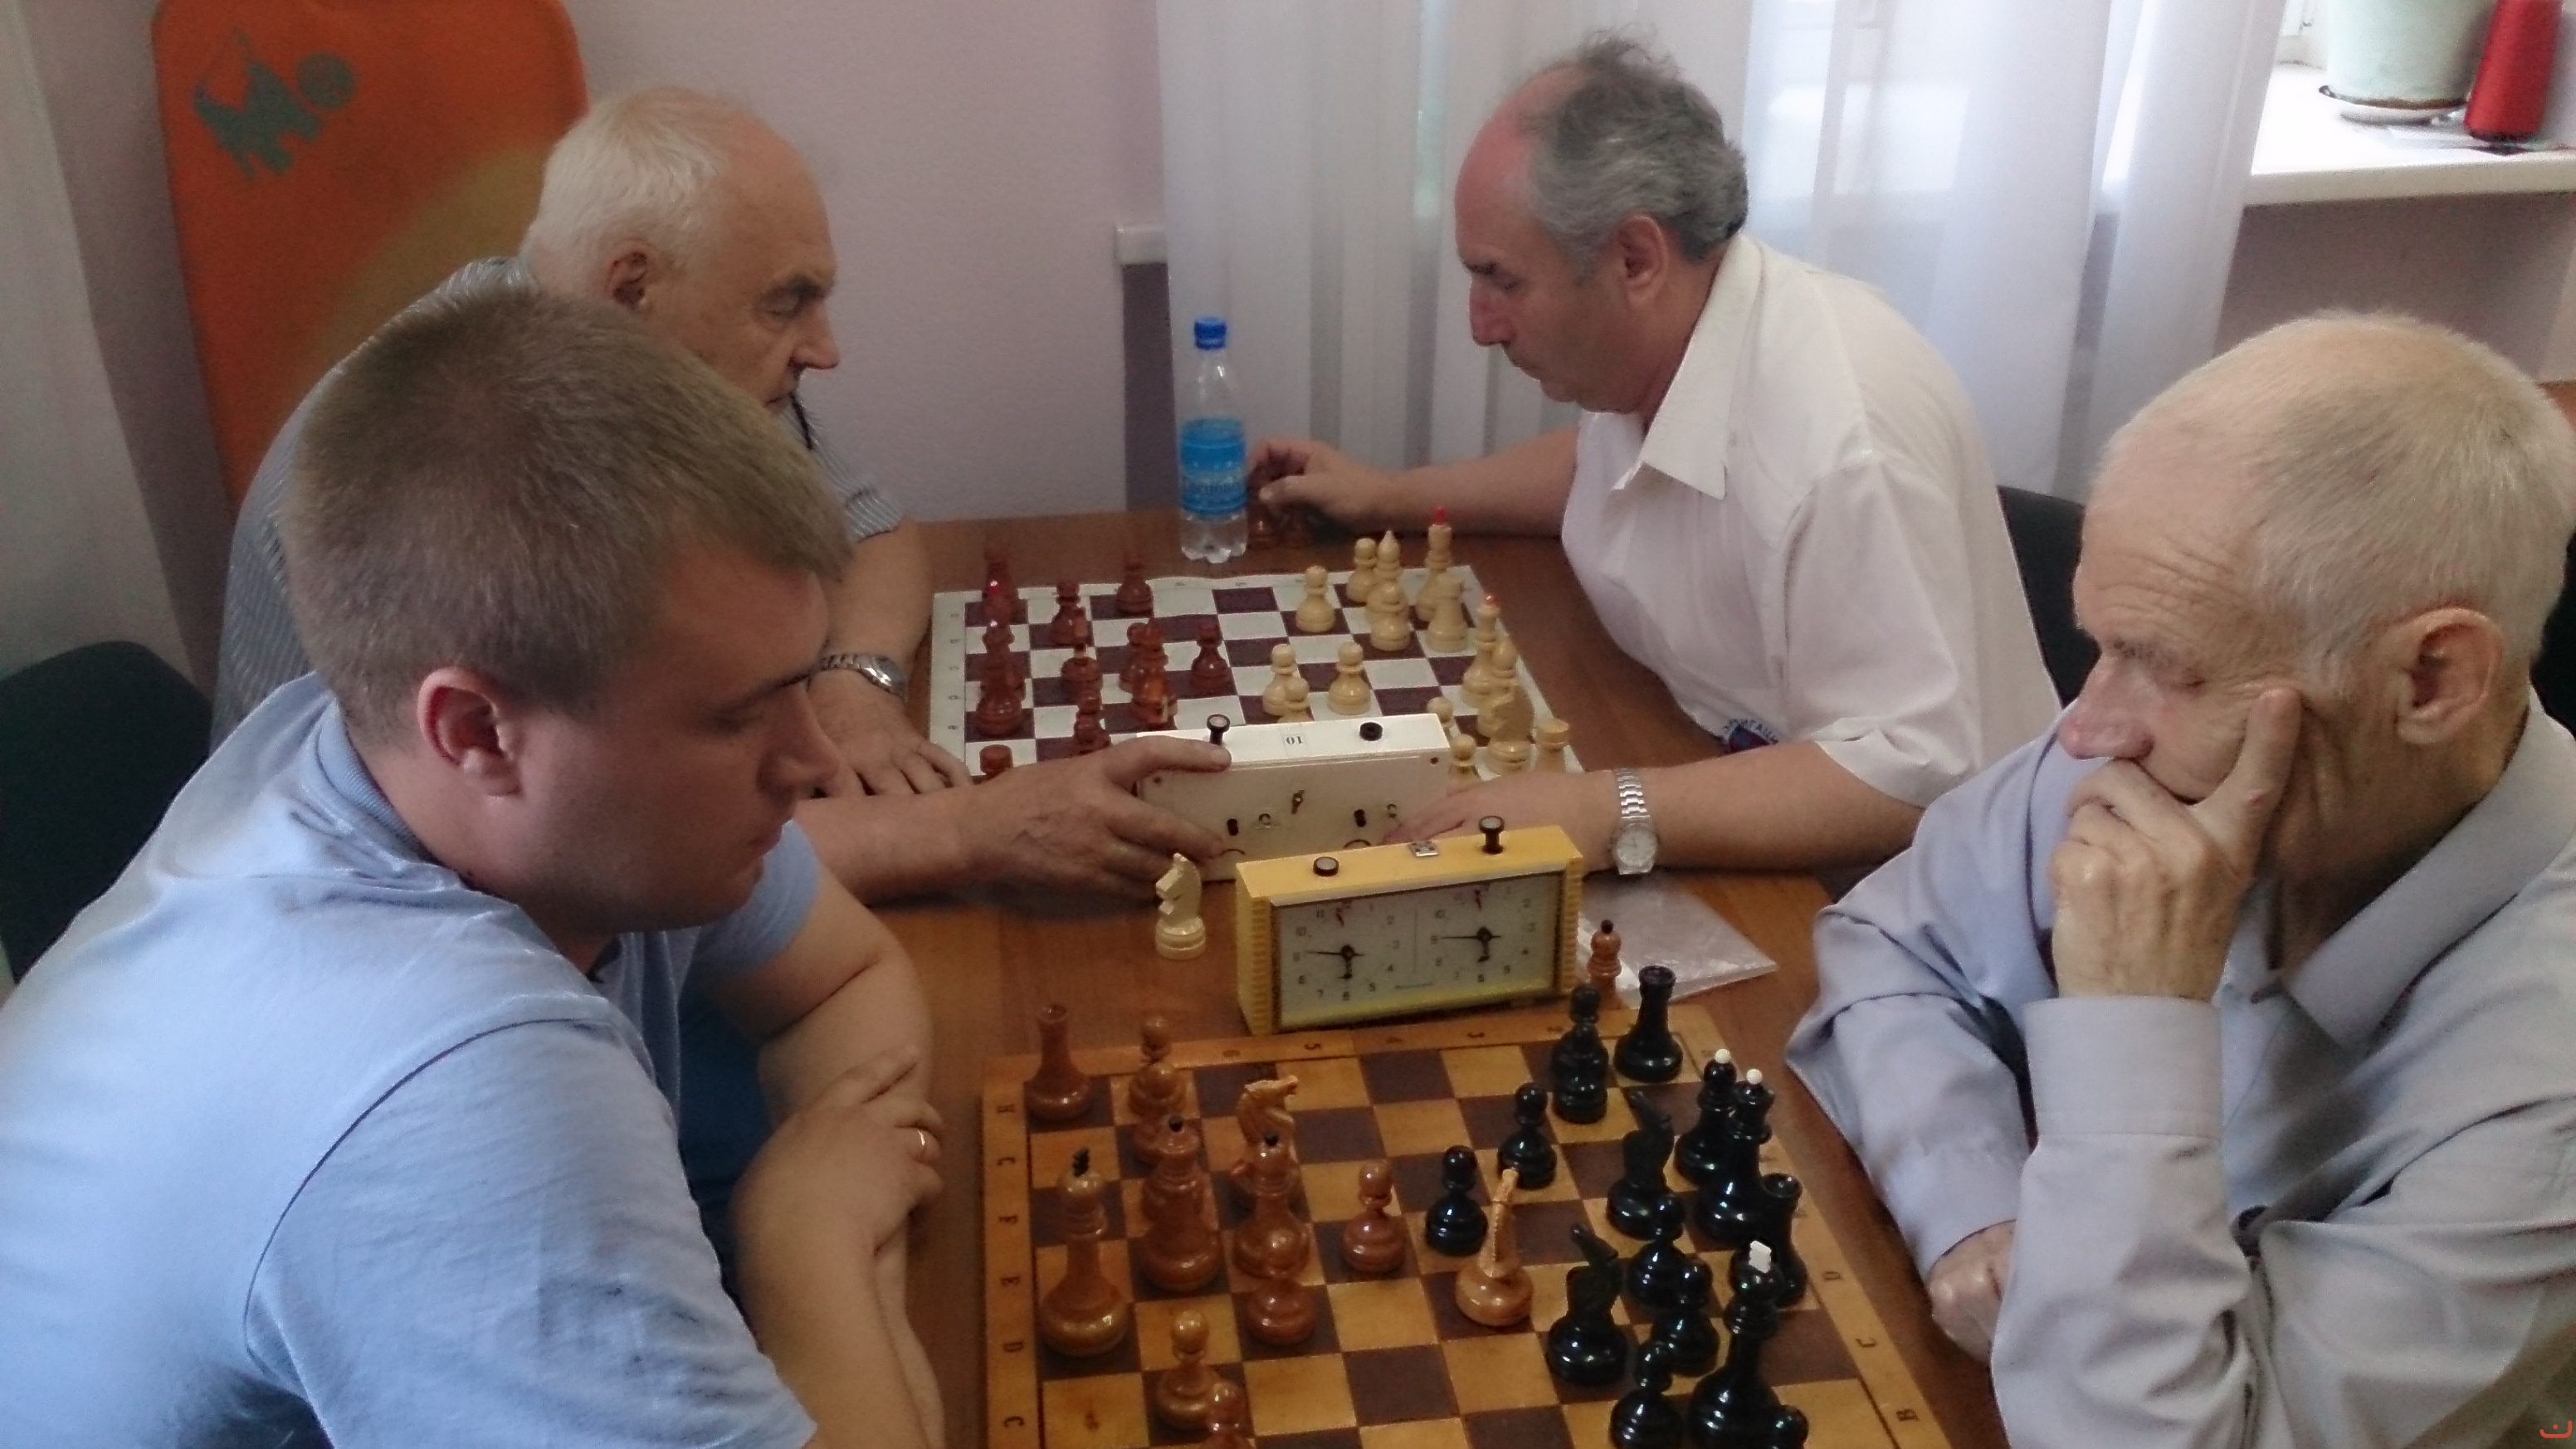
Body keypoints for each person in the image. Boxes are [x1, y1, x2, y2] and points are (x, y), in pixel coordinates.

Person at [0, 289, 946, 1447]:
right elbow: (833, 1153)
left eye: (799, 681)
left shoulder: (416, 766)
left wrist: (837, 1216)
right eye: (739, 716)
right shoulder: (442, 1090)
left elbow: (843, 980)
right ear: (476, 731)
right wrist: (809, 1247)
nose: (812, 763)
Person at [1787, 314, 2576, 1445]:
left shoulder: (2547, 1092)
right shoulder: (2155, 750)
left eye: (2164, 664)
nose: (2085, 729)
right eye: (2101, 645)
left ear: (2430, 679)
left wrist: (2132, 1029)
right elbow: (1886, 943)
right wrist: (1974, 1207)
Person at [212, 87, 1225, 902]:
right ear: (630, 286)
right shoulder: (471, 455)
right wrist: (959, 830)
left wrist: (852, 683)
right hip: (390, 942)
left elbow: (870, 531)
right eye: (785, 303)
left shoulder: (640, 366)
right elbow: (594, 851)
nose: (824, 350)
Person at [1255, 37, 2055, 875]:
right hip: (1693, 743)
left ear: (1635, 259)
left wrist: (1602, 808)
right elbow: (1598, 471)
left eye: (1502, 280)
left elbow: (1910, 777)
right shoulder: (1674, 339)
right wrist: (1388, 496)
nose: (1480, 325)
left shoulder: (1842, 442)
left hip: (1913, 879)